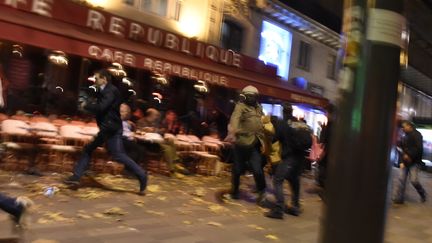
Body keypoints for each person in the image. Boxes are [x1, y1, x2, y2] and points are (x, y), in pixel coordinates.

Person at [64, 69, 147, 195]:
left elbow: (102, 107)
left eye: (97, 78)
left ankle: (76, 177)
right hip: (112, 127)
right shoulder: (105, 91)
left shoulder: (110, 91)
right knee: (118, 155)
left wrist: (86, 105)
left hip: (109, 128)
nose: (95, 80)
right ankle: (142, 175)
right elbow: (103, 108)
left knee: (88, 149)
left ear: (104, 79)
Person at [265, 103, 308, 219]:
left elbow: (274, 139)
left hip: (289, 157)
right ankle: (295, 207)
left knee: (278, 180)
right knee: (294, 180)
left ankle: (279, 209)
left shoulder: (282, 123)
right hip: (301, 159)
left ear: (283, 112)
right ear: (292, 111)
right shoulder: (300, 124)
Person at [227, 85, 266, 204]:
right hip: (241, 143)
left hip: (254, 142)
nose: (251, 98)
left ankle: (261, 192)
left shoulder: (259, 108)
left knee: (258, 170)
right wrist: (233, 130)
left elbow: (262, 121)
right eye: (249, 96)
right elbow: (235, 119)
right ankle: (234, 193)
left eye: (253, 96)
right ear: (244, 96)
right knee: (237, 170)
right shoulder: (240, 106)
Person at [394, 121, 427, 204]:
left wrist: (410, 155)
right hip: (405, 162)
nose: (403, 128)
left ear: (410, 126)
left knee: (414, 180)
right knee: (401, 180)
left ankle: (422, 193)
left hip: (414, 162)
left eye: (404, 127)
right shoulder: (404, 135)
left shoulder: (417, 135)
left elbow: (419, 148)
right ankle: (399, 198)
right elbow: (401, 148)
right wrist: (401, 161)